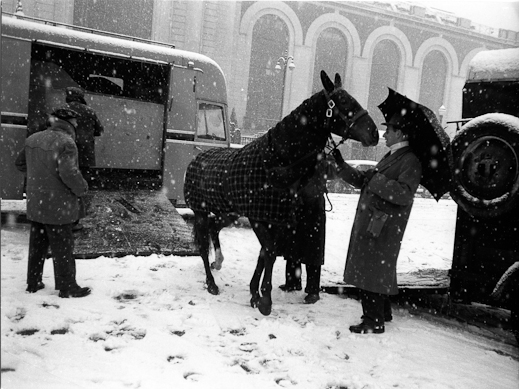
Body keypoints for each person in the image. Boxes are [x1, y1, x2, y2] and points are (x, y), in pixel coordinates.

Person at [332, 112, 422, 334]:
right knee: (377, 268)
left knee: (371, 269)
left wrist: (377, 179)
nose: (385, 134)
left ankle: (373, 321)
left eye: (389, 130)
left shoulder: (410, 160)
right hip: (376, 223)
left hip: (384, 226)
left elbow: (404, 194)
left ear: (399, 132)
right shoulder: (392, 156)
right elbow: (365, 180)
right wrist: (341, 165)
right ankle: (383, 312)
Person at [15, 105, 92, 298]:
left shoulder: (33, 139)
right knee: (62, 247)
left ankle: (33, 282)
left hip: (36, 202)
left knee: (37, 245)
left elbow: (20, 163)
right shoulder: (67, 142)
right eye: (75, 122)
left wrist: (38, 179)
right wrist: (82, 189)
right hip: (58, 205)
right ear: (69, 123)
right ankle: (67, 286)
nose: (76, 125)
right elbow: (68, 173)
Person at [279, 155, 331, 304]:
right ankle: (293, 282)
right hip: (297, 204)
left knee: (313, 249)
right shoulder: (299, 151)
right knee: (293, 245)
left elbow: (330, 172)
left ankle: (313, 289)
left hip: (314, 207)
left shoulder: (322, 156)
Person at [65, 86, 104, 231]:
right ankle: (77, 219)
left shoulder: (63, 110)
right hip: (85, 155)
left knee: (65, 184)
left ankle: (64, 218)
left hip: (67, 153)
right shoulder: (90, 111)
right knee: (81, 186)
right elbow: (99, 130)